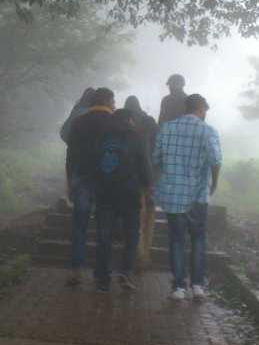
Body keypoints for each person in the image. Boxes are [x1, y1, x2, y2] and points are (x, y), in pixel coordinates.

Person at [153, 93, 221, 301]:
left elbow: (156, 158)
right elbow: (216, 160)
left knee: (176, 240)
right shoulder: (207, 130)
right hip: (198, 195)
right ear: (201, 109)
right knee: (198, 239)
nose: (205, 114)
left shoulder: (167, 128)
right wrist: (214, 183)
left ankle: (178, 288)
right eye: (205, 110)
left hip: (173, 194)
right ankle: (198, 286)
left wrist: (162, 182)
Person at [92, 106, 152, 292]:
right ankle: (125, 272)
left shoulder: (101, 136)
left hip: (105, 194)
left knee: (104, 237)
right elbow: (144, 164)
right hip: (129, 194)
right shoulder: (137, 137)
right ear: (130, 120)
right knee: (132, 235)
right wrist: (148, 186)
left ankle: (102, 279)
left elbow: (93, 162)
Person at [64, 87, 116, 287]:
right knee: (105, 228)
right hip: (107, 181)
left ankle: (76, 269)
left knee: (80, 226)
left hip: (82, 177)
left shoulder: (78, 122)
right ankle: (101, 274)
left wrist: (70, 181)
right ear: (108, 100)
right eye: (114, 100)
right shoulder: (114, 123)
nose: (115, 104)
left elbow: (70, 155)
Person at [123, 95, 159, 271]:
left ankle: (137, 255)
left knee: (135, 218)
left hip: (130, 178)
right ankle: (145, 254)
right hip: (149, 177)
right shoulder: (149, 122)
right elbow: (158, 149)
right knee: (149, 218)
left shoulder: (122, 122)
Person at [60, 87, 95, 202]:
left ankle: (76, 207)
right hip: (91, 156)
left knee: (76, 184)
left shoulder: (76, 111)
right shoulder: (94, 114)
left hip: (73, 154)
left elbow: (63, 132)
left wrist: (72, 142)